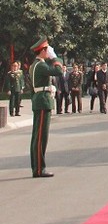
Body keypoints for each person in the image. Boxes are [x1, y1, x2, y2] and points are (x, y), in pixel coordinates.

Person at [29, 37, 64, 178]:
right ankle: (39, 169)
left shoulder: (36, 64)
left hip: (40, 100)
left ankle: (37, 167)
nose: (48, 51)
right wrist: (55, 57)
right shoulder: (41, 65)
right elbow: (58, 71)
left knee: (37, 136)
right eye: (47, 49)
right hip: (43, 101)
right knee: (40, 137)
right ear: (43, 50)